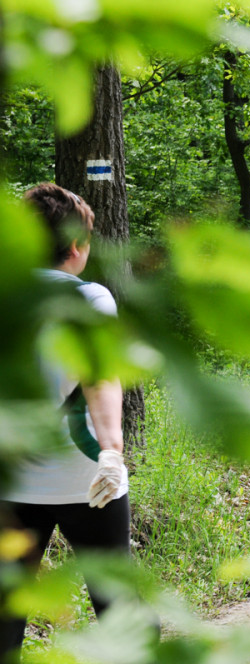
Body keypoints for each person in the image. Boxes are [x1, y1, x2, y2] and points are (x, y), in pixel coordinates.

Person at [1, 184, 133, 657]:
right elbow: (101, 379)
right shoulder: (90, 298)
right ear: (76, 246)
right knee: (118, 603)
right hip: (88, 482)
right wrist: (112, 453)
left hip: (9, 483)